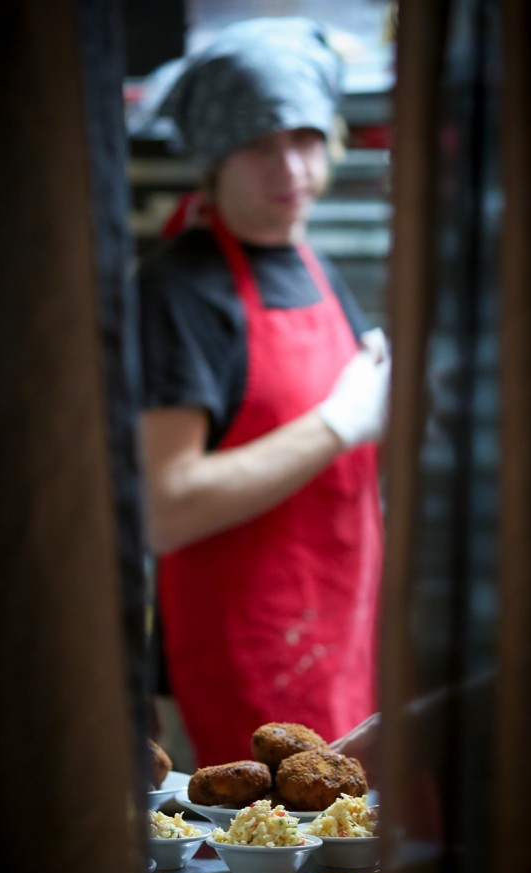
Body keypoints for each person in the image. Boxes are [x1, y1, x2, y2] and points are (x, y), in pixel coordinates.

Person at [135, 17, 391, 768]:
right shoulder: (178, 292)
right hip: (236, 661)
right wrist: (339, 423)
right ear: (214, 158)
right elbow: (167, 506)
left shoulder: (311, 264)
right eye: (258, 144)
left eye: (307, 138)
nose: (291, 168)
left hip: (340, 640)